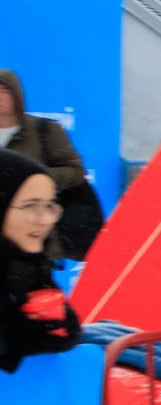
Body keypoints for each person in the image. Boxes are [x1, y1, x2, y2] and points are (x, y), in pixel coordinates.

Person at [0, 69, 101, 259]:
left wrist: (34, 181)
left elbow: (74, 170)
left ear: (17, 95)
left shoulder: (44, 131)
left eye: (4, 90)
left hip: (33, 234)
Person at [0, 150, 80, 371]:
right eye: (30, 206)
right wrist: (18, 338)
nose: (45, 220)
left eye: (49, 206)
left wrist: (63, 328)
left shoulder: (29, 265)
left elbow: (68, 327)